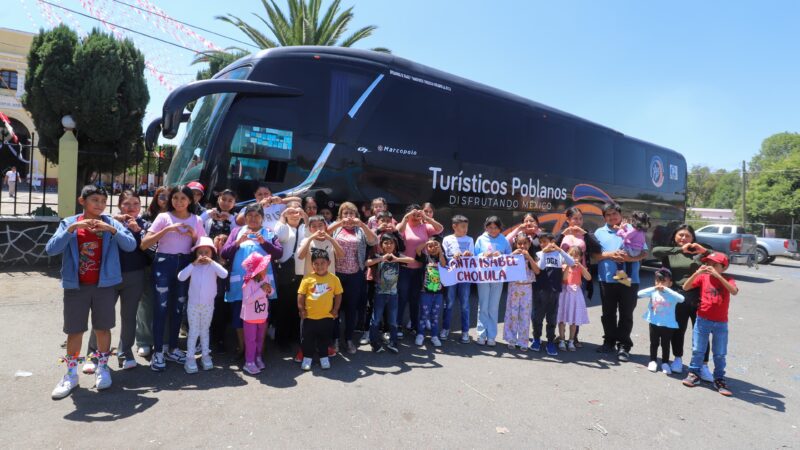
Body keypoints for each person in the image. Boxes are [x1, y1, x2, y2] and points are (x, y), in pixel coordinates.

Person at [46, 185, 136, 400]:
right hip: (76, 286)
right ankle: (70, 374)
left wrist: (112, 230)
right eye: (95, 200)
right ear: (82, 201)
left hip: (104, 286)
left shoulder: (111, 222)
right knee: (75, 331)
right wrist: (72, 229)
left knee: (103, 328)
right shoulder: (69, 223)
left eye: (103, 201)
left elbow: (130, 245)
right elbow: (51, 249)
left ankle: (102, 367)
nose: (99, 205)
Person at [140, 185, 206, 371]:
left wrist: (193, 234)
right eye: (175, 198)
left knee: (178, 308)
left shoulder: (196, 219)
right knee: (160, 309)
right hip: (163, 263)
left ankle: (174, 348)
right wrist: (166, 230)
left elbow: (202, 246)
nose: (179, 201)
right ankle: (158, 351)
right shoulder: (163, 217)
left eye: (183, 198)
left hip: (185, 263)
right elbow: (144, 244)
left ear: (190, 200)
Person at [221, 204, 283, 359]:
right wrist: (237, 243)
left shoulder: (269, 233)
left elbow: (278, 253)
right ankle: (243, 349)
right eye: (250, 215)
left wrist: (264, 243)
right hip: (239, 284)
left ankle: (258, 351)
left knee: (260, 317)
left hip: (262, 284)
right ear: (245, 217)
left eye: (257, 216)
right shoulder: (236, 231)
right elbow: (224, 253)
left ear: (262, 217)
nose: (253, 219)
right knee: (238, 317)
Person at [652, 224, 713, 377]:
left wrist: (704, 251)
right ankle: (677, 358)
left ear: (693, 238)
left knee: (701, 331)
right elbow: (655, 251)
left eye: (687, 235)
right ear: (674, 237)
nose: (684, 238)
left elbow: (722, 260)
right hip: (678, 294)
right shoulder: (671, 252)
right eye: (680, 235)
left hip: (700, 295)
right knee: (678, 329)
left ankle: (703, 365)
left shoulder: (700, 252)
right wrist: (680, 249)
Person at [593, 203, 648, 361]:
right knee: (608, 313)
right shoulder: (599, 232)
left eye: (614, 214)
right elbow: (596, 256)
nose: (611, 217)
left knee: (626, 314)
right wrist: (610, 254)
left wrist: (629, 258)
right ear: (604, 217)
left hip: (628, 280)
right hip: (607, 279)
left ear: (620, 214)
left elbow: (644, 253)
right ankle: (609, 342)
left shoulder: (633, 229)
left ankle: (624, 346)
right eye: (608, 215)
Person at [681, 252, 738, 396]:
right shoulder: (702, 277)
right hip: (702, 319)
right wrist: (696, 273)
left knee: (719, 353)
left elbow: (734, 291)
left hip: (721, 323)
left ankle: (719, 378)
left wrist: (718, 276)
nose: (710, 267)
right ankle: (694, 373)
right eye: (708, 264)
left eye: (714, 265)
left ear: (723, 268)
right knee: (698, 349)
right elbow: (685, 287)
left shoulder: (728, 279)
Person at [328, 202, 378, 354]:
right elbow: (322, 233)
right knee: (334, 309)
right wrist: (338, 224)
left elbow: (374, 240)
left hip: (355, 275)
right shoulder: (335, 228)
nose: (349, 217)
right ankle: (335, 339)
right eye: (345, 214)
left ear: (356, 216)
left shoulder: (360, 230)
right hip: (335, 274)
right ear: (341, 215)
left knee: (351, 309)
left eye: (352, 214)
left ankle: (348, 339)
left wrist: (362, 224)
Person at [177, 236, 228, 373]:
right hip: (193, 304)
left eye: (207, 252)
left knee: (205, 330)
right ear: (195, 254)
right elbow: (181, 277)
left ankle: (206, 355)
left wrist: (212, 262)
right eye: (200, 252)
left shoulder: (213, 267)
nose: (203, 255)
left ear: (212, 254)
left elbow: (224, 274)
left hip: (208, 305)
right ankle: (190, 358)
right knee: (193, 331)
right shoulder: (193, 267)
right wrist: (193, 264)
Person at [556, 207, 602, 347]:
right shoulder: (564, 234)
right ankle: (562, 336)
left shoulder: (585, 234)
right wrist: (562, 234)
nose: (578, 221)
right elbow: (552, 245)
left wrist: (585, 234)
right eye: (575, 218)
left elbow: (597, 248)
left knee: (576, 305)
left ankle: (573, 337)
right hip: (563, 273)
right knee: (562, 305)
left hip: (579, 275)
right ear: (568, 220)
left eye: (580, 218)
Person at [397, 204, 444, 338]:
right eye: (414, 214)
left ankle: (414, 326)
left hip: (420, 269)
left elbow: (440, 228)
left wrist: (426, 217)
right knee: (402, 298)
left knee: (415, 299)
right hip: (405, 268)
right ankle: (398, 325)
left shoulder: (424, 226)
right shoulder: (405, 225)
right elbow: (396, 231)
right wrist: (406, 218)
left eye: (418, 213)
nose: (416, 216)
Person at [135, 186, 169, 358]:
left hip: (168, 266)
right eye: (161, 196)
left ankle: (163, 340)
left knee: (166, 305)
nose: (165, 199)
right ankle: (143, 341)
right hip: (148, 264)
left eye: (168, 196)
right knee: (146, 304)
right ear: (156, 198)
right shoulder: (145, 217)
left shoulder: (176, 216)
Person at [366, 233, 414, 353]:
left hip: (393, 294)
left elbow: (411, 260)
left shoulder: (397, 256)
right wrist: (381, 258)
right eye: (386, 243)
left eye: (391, 243)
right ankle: (374, 342)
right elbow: (367, 263)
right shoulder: (378, 256)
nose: (388, 245)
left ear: (395, 245)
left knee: (392, 320)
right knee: (376, 319)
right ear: (381, 245)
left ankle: (393, 342)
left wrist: (397, 259)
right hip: (379, 294)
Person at [297, 249, 343, 371]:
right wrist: (301, 310)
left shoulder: (334, 279)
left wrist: (335, 309)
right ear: (312, 265)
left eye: (323, 263)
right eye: (316, 263)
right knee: (308, 339)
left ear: (329, 263)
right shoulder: (307, 279)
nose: (319, 266)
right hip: (309, 317)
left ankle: (324, 357)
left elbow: (338, 295)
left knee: (325, 338)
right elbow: (301, 295)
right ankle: (307, 357)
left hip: (327, 316)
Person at [273, 200, 308, 349]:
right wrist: (282, 216)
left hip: (301, 273)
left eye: (297, 211)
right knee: (284, 307)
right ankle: (282, 340)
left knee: (297, 306)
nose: (295, 215)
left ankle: (294, 335)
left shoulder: (303, 228)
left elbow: (311, 232)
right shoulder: (283, 226)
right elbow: (279, 236)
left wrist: (305, 216)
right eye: (291, 212)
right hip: (286, 271)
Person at [532, 233, 575, 356]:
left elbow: (571, 262)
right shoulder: (539, 254)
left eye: (545, 241)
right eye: (541, 242)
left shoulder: (559, 255)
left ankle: (550, 341)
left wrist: (560, 250)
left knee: (552, 318)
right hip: (540, 290)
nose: (542, 244)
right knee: (537, 317)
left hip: (555, 291)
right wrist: (544, 253)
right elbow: (539, 268)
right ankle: (536, 339)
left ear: (552, 242)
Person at [474, 216, 512, 346]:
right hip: (483, 276)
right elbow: (473, 257)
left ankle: (491, 336)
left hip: (498, 277)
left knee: (494, 307)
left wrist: (501, 256)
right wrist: (482, 255)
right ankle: (481, 334)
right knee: (483, 305)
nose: (493, 230)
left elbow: (510, 257)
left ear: (500, 228)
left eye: (495, 227)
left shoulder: (504, 240)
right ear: (486, 227)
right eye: (490, 227)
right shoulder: (480, 239)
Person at [638, 268, 684, 374]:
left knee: (665, 344)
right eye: (657, 280)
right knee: (654, 343)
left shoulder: (672, 295)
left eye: (663, 281)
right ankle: (653, 360)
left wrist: (666, 289)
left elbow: (681, 299)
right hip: (654, 322)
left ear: (670, 283)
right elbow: (639, 293)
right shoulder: (653, 292)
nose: (660, 284)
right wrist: (655, 287)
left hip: (668, 325)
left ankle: (665, 363)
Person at [503, 232, 540, 350]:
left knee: (524, 314)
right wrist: (512, 255)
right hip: (514, 287)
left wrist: (529, 257)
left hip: (527, 287)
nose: (522, 246)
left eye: (525, 243)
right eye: (519, 244)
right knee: (512, 314)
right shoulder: (512, 255)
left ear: (529, 243)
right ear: (515, 244)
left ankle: (523, 341)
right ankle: (511, 339)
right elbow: (504, 269)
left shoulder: (533, 256)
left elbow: (537, 271)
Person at [441, 215, 474, 343]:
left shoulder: (470, 239)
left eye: (466, 227)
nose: (465, 229)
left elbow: (474, 258)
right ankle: (445, 328)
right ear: (454, 226)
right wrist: (452, 257)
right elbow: (444, 256)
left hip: (465, 277)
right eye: (463, 227)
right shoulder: (447, 239)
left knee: (465, 304)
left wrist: (469, 254)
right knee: (448, 303)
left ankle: (465, 331)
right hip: (451, 276)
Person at [240, 252, 273, 375]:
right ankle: (249, 362)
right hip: (250, 317)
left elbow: (270, 291)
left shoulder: (266, 278)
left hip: (262, 315)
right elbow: (247, 300)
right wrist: (261, 290)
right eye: (264, 268)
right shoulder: (247, 283)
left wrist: (269, 290)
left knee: (259, 338)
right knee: (250, 340)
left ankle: (257, 357)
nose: (266, 269)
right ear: (257, 270)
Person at [556, 246, 591, 352]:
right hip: (565, 293)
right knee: (562, 317)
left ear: (580, 257)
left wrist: (580, 265)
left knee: (574, 319)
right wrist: (568, 266)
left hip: (576, 294)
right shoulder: (564, 266)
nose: (573, 258)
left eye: (576, 256)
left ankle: (571, 340)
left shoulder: (580, 267)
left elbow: (588, 277)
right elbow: (564, 278)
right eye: (571, 255)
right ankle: (562, 339)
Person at [414, 237, 447, 347]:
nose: (432, 248)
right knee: (424, 314)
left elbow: (443, 264)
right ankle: (420, 334)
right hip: (425, 292)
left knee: (435, 315)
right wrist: (426, 242)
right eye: (430, 246)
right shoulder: (425, 258)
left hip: (438, 293)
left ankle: (434, 336)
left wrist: (440, 251)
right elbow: (417, 250)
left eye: (435, 246)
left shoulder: (441, 257)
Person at [235, 183, 302, 231]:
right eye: (259, 194)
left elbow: (299, 201)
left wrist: (281, 201)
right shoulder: (250, 208)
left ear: (271, 194)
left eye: (266, 194)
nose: (263, 197)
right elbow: (239, 221)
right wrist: (259, 206)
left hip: (279, 240)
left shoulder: (278, 206)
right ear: (255, 196)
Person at [612, 211, 651, 287]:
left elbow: (624, 235)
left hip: (631, 250)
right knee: (629, 263)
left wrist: (621, 229)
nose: (630, 221)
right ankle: (628, 279)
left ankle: (620, 275)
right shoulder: (641, 231)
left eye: (632, 220)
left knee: (618, 257)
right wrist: (624, 228)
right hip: (636, 251)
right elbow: (631, 235)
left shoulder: (634, 230)